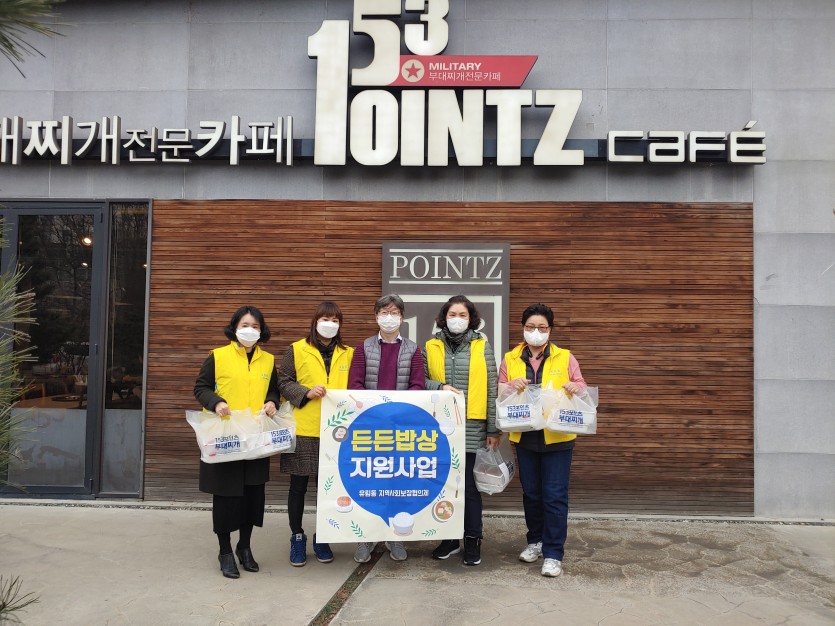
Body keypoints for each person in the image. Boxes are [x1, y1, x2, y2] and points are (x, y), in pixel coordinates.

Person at [499, 303, 587, 578]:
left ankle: (553, 553)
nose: (535, 332)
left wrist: (575, 386)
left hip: (558, 436)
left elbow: (582, 387)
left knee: (555, 496)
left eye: (541, 327)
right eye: (530, 327)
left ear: (550, 330)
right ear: (523, 328)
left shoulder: (565, 357)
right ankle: (535, 541)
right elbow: (500, 392)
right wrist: (510, 386)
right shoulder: (511, 358)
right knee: (532, 494)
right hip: (525, 434)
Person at [193, 305, 280, 579]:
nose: (250, 330)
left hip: (256, 438)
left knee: (252, 495)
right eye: (245, 325)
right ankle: (225, 551)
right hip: (227, 436)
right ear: (234, 327)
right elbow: (201, 387)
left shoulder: (268, 360)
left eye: (255, 326)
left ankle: (245, 547)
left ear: (262, 330)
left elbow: (274, 391)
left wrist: (272, 402)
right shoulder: (217, 356)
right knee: (226, 496)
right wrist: (216, 402)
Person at [347, 294, 424, 563]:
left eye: (394, 313)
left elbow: (417, 386)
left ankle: (395, 536)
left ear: (402, 318)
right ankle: (365, 537)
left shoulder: (413, 349)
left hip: (400, 427)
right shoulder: (363, 348)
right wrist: (377, 411)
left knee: (397, 482)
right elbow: (355, 385)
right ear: (376, 316)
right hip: (370, 427)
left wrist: (396, 411)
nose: (389, 317)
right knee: (369, 481)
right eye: (384, 312)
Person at [277, 301, 354, 567]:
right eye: (325, 319)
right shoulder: (297, 349)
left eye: (335, 320)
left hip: (338, 431)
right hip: (304, 427)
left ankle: (323, 536)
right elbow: (283, 381)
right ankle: (297, 536)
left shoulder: (349, 353)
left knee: (328, 488)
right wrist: (306, 393)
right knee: (298, 486)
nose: (329, 324)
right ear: (315, 322)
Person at [424, 295, 499, 566]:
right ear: (444, 318)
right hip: (439, 427)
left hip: (472, 426)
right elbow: (419, 380)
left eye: (463, 315)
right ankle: (449, 538)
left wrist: (493, 428)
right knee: (443, 486)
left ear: (471, 319)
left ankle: (472, 538)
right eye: (452, 314)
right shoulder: (431, 345)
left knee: (468, 488)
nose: (457, 319)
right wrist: (439, 386)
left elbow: (492, 388)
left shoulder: (482, 346)